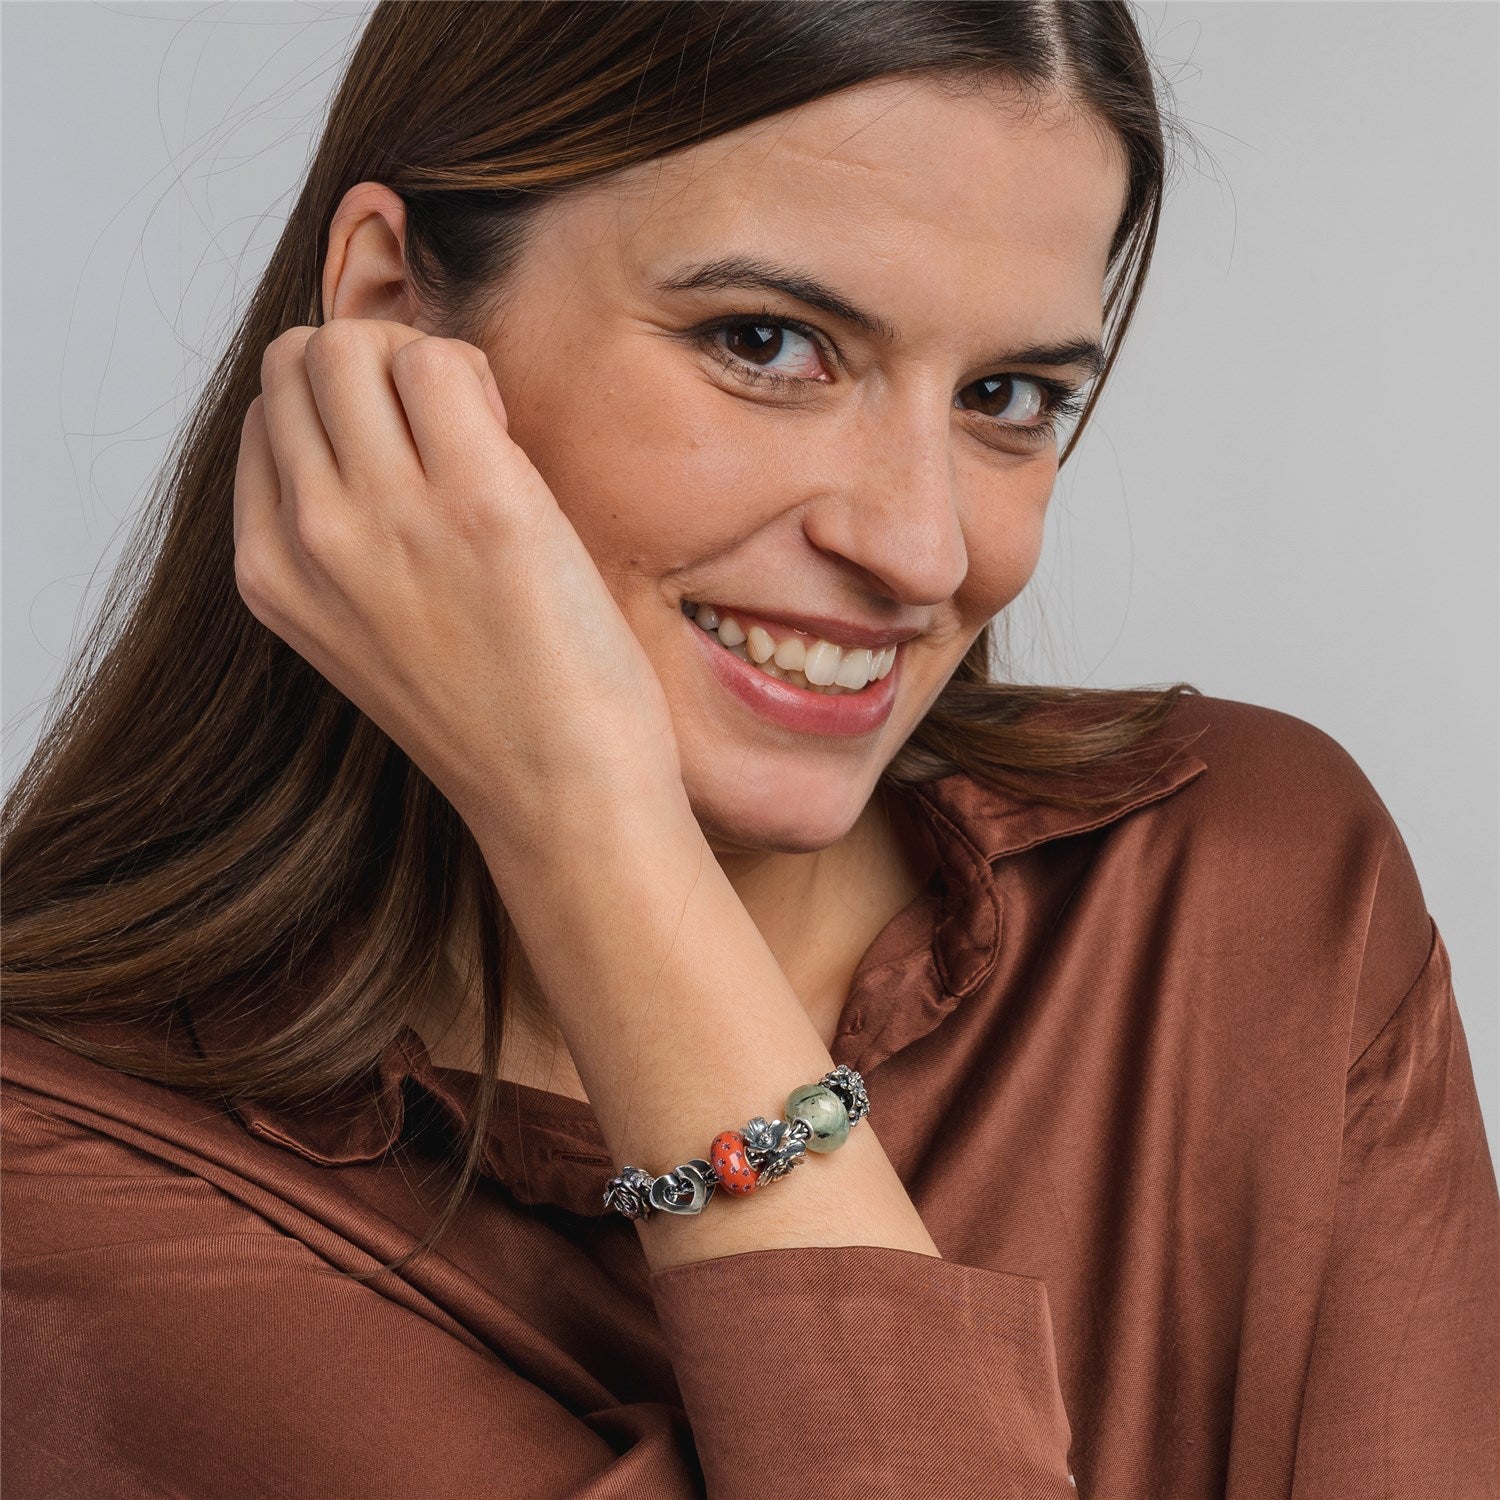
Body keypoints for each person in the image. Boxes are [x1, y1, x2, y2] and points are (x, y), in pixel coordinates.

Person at [2, 3, 1495, 1496]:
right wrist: (587, 821)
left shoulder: (1246, 899)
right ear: (391, 311)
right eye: (766, 344)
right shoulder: (63, 1169)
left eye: (1007, 399)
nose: (920, 550)